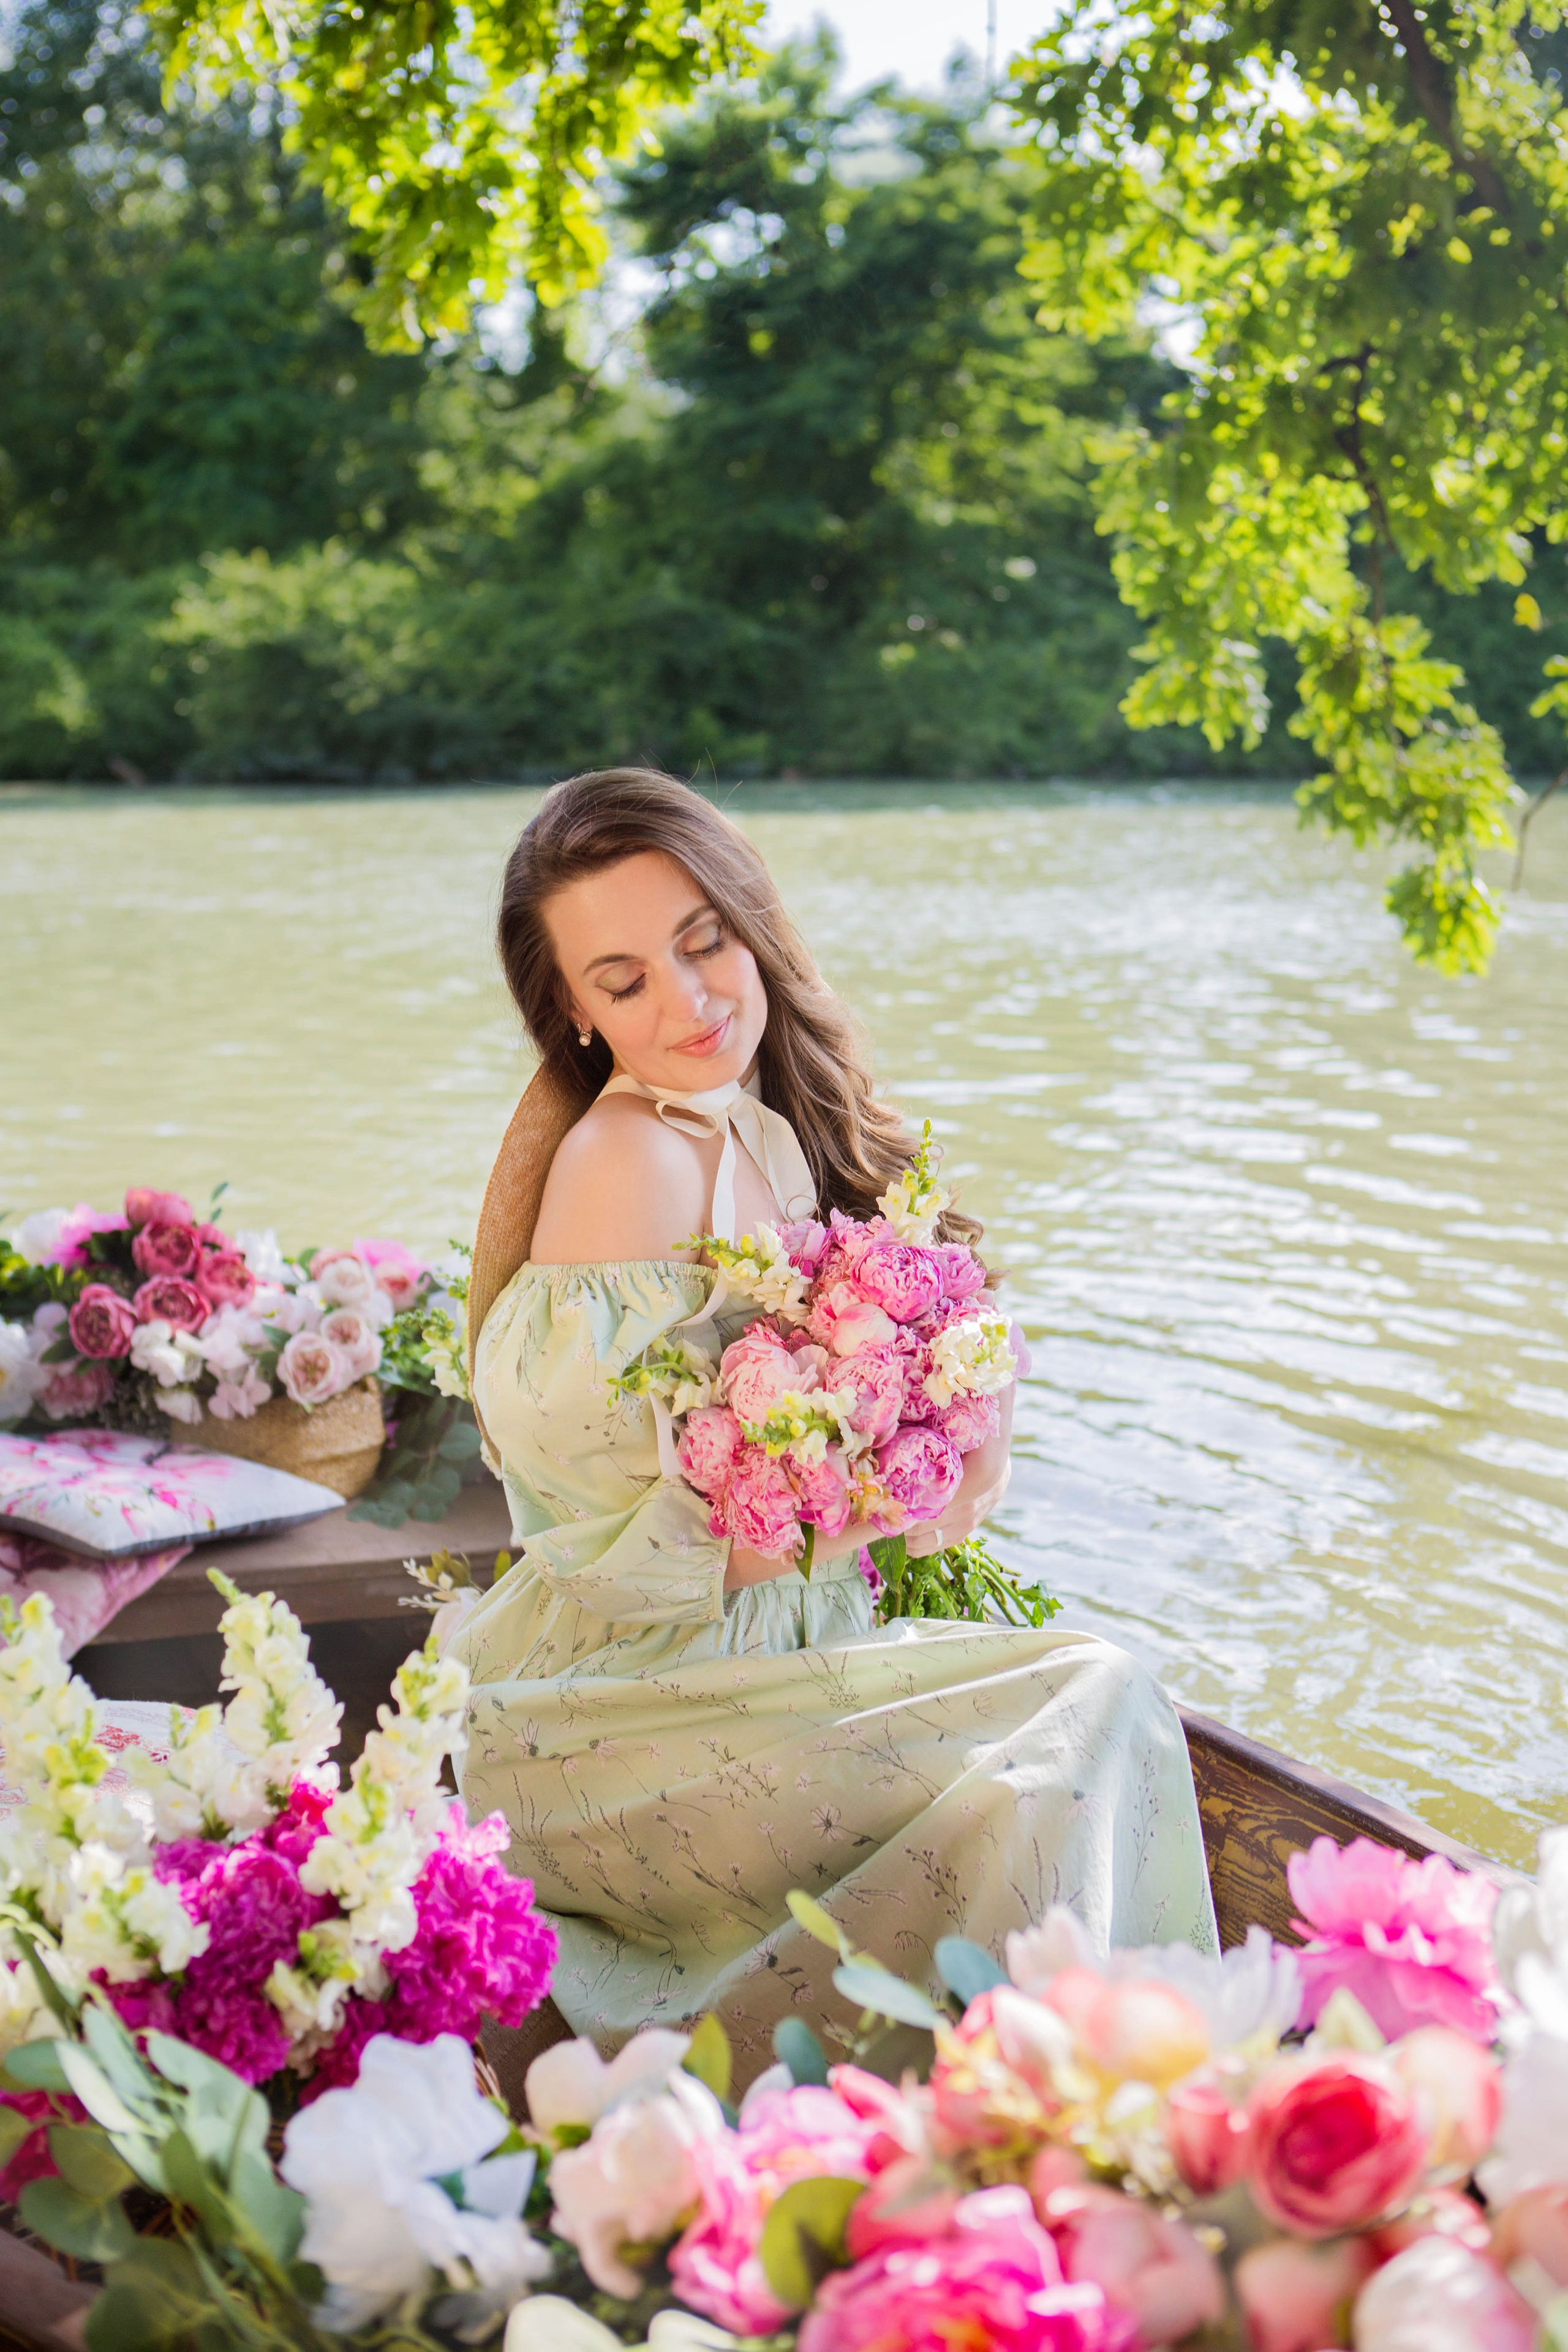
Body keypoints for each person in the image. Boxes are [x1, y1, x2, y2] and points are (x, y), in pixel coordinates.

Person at [453, 769, 1216, 2076]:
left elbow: (907, 1367)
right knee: (1091, 1698)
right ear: (573, 1014)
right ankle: (1073, 2110)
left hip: (771, 1654)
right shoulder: (626, 1166)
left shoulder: (761, 1129)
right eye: (625, 980)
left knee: (1086, 1707)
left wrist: (967, 1411)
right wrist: (879, 1496)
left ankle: (1094, 2095)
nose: (689, 1003)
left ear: (752, 925)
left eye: (703, 943)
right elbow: (608, 1558)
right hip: (611, 1713)